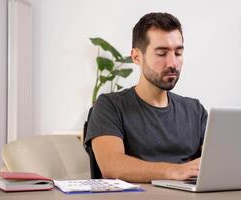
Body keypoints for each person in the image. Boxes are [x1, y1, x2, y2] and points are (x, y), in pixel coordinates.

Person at [85, 12, 207, 183]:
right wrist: (175, 171)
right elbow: (111, 166)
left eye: (178, 53)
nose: (172, 63)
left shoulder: (195, 110)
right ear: (136, 56)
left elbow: (217, 163)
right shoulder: (110, 106)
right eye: (162, 53)